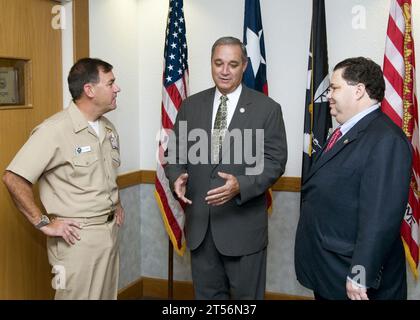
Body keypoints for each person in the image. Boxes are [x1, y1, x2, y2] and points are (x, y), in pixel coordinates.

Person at [164, 36, 287, 299]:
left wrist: (240, 185)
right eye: (218, 63)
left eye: (232, 64)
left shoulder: (267, 109)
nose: (224, 70)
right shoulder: (190, 106)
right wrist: (175, 176)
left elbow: (275, 162)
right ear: (211, 63)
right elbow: (173, 152)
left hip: (243, 230)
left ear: (244, 66)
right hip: (200, 229)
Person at [2, 58, 124, 300]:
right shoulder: (54, 130)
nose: (117, 88)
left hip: (109, 233)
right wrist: (43, 222)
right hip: (77, 239)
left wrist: (116, 202)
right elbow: (13, 178)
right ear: (89, 90)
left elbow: (104, 174)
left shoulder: (108, 128)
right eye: (111, 83)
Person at [294, 57, 412, 300]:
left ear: (359, 90)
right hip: (330, 269)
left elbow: (380, 218)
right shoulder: (344, 131)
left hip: (353, 276)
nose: (329, 95)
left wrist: (360, 274)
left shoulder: (385, 139)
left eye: (335, 87)